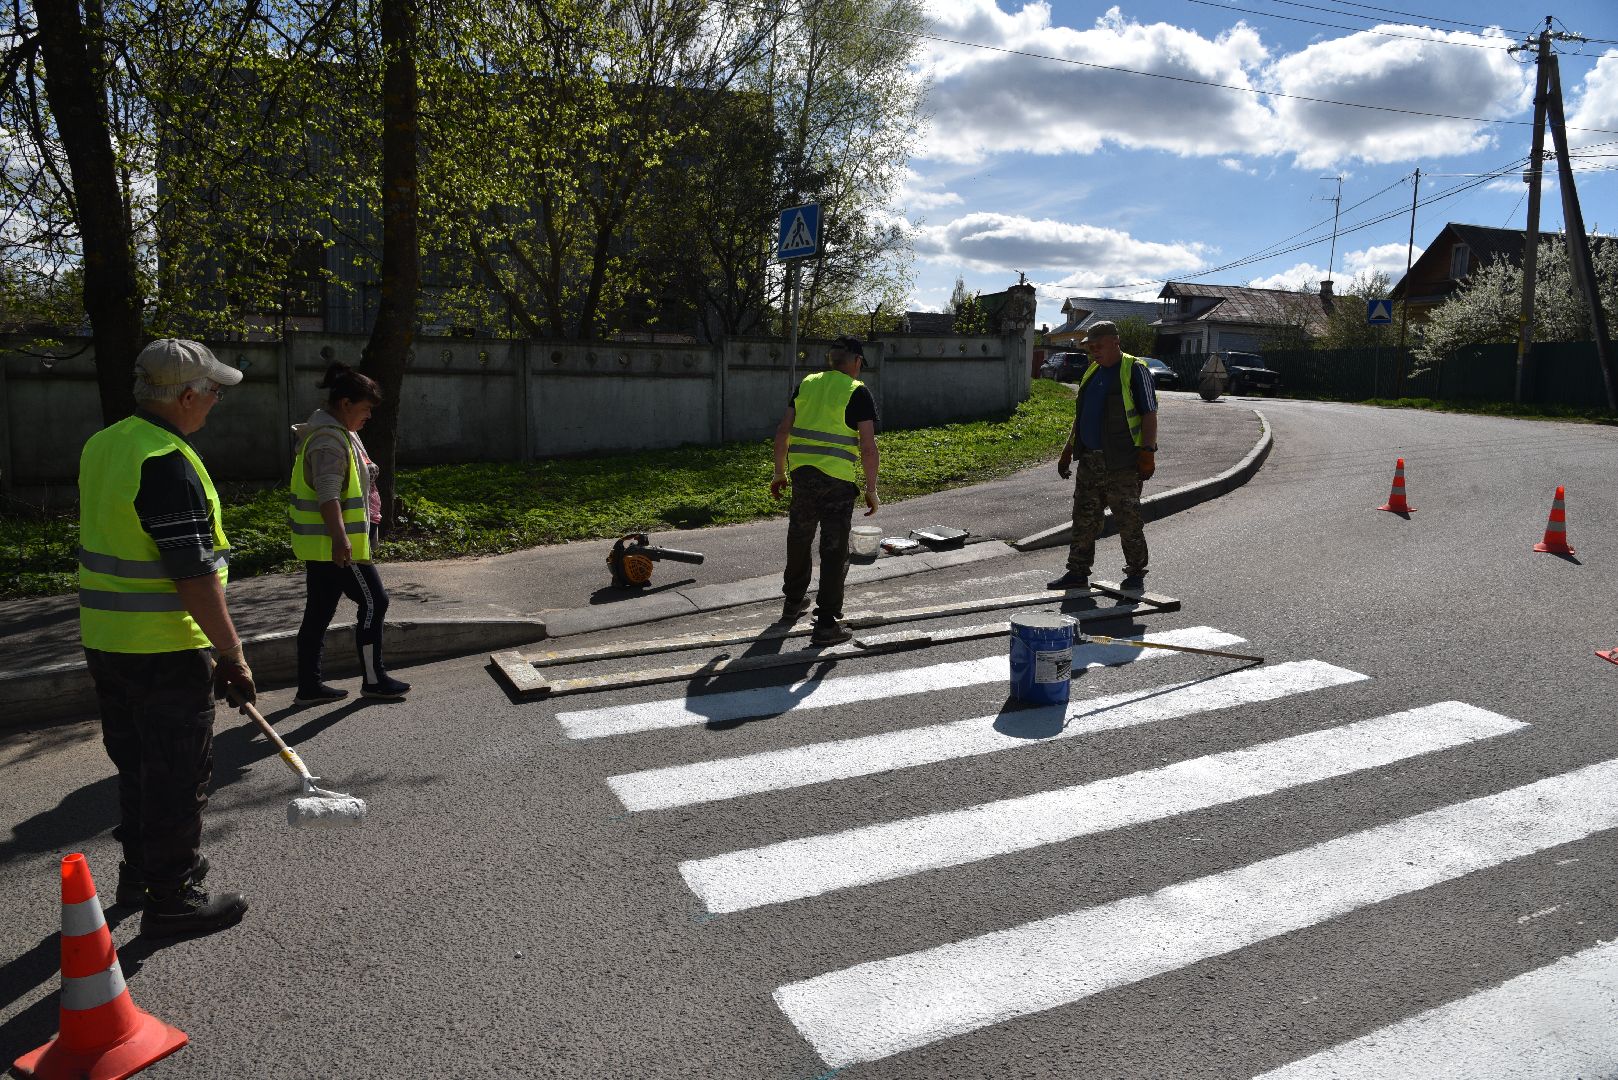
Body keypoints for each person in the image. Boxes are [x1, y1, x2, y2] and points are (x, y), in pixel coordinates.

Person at [78, 338, 252, 938]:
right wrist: (232, 654)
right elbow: (193, 575)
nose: (214, 403)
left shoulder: (106, 444)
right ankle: (172, 899)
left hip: (106, 640)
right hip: (162, 649)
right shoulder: (166, 462)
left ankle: (140, 873)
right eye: (211, 393)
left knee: (136, 765)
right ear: (184, 396)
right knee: (177, 776)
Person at [290, 362, 410, 702]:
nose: (369, 416)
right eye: (365, 408)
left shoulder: (339, 433)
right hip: (340, 547)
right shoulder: (328, 440)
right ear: (345, 404)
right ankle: (373, 681)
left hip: (326, 546)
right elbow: (327, 494)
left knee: (319, 613)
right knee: (375, 602)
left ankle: (309, 687)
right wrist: (342, 540)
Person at [771, 336, 880, 646]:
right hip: (837, 483)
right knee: (834, 550)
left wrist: (780, 472)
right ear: (857, 361)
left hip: (803, 477)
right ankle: (827, 622)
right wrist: (871, 489)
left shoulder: (807, 384)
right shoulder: (856, 391)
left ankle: (793, 603)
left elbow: (783, 432)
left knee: (799, 538)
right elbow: (868, 448)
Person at [1047, 320, 1158, 592]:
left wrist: (1148, 453)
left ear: (1115, 343)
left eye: (1098, 345)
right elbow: (1082, 416)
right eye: (1090, 347)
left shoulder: (1134, 369)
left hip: (1122, 462)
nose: (1094, 351)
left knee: (1127, 519)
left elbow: (1149, 413)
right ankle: (1077, 572)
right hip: (1090, 461)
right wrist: (1068, 449)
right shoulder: (1092, 372)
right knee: (1083, 517)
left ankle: (1135, 572)